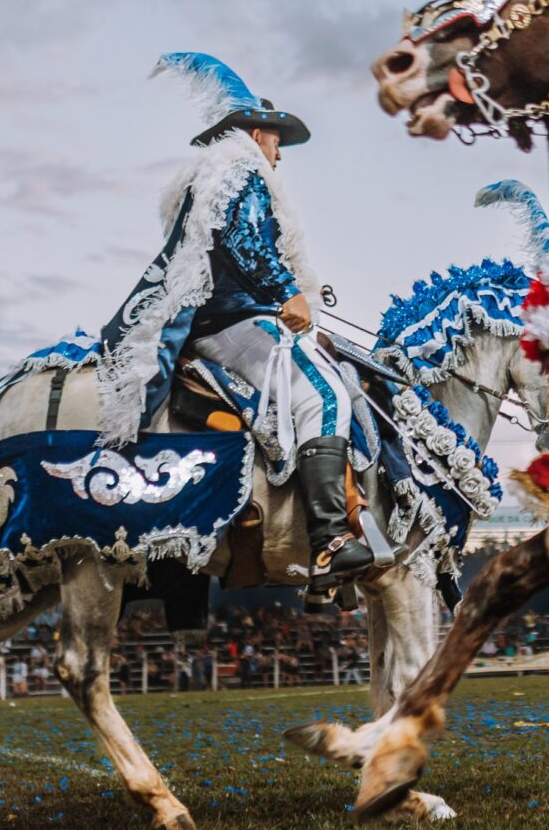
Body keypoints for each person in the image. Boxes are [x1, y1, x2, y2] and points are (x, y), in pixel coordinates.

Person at [98, 52, 371, 580]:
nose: (279, 155)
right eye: (275, 140)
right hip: (233, 323)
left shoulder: (215, 173)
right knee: (326, 392)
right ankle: (329, 538)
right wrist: (288, 291)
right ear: (253, 131)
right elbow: (241, 241)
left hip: (220, 321)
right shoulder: (238, 168)